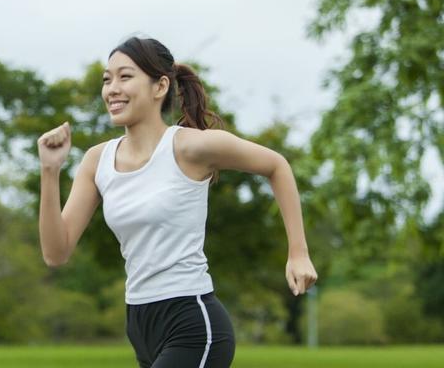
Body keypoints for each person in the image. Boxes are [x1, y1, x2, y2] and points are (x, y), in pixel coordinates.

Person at [36, 36, 318, 368]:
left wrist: (298, 254)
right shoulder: (98, 160)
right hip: (140, 321)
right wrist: (50, 170)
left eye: (125, 77)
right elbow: (56, 252)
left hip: (191, 320)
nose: (111, 88)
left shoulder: (189, 148)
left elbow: (276, 165)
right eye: (107, 79)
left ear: (160, 87)